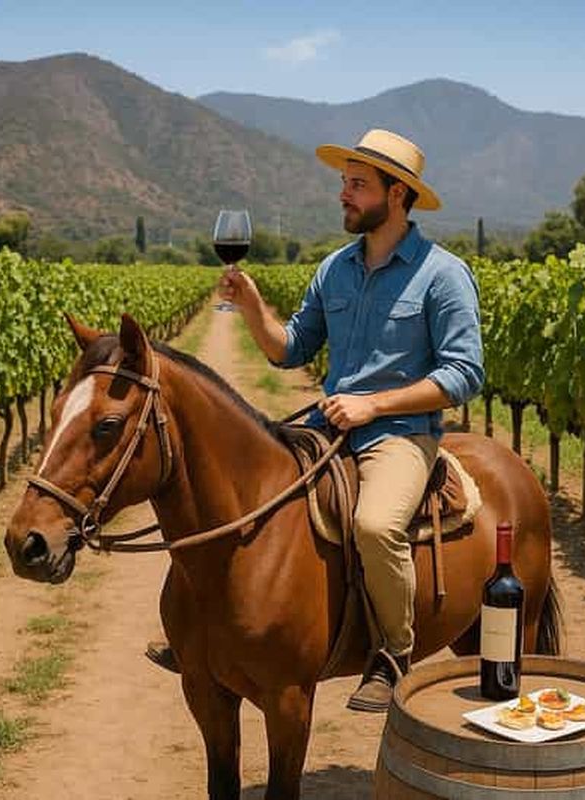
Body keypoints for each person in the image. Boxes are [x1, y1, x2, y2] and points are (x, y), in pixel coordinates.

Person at [219, 129, 484, 712]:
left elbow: (464, 374)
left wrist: (374, 403)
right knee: (240, 495)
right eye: (344, 181)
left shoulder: (443, 275)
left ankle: (392, 652)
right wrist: (249, 305)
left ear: (397, 195)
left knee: (373, 526)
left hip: (400, 436)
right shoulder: (334, 270)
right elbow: (288, 348)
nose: (344, 193)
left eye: (357, 184)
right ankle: (211, 633)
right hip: (325, 424)